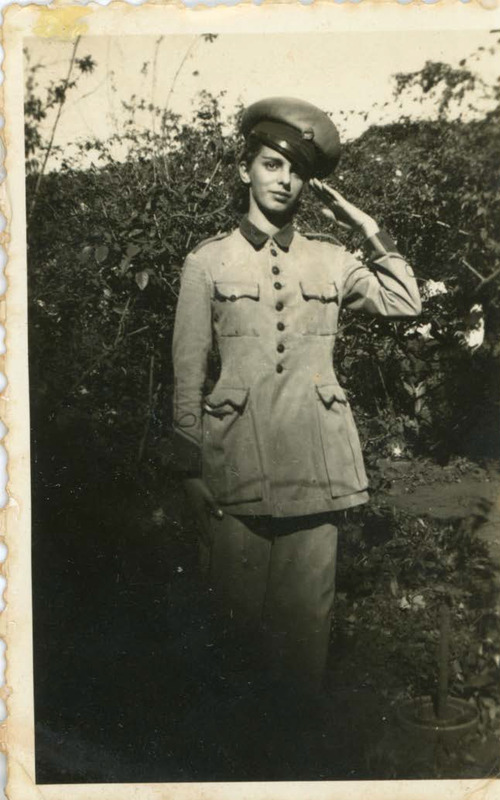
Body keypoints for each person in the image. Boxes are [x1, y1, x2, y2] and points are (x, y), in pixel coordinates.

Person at [172, 97, 421, 698]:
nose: (284, 180)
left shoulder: (331, 259)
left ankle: (295, 741)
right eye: (271, 164)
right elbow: (187, 371)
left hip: (316, 463)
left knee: (305, 633)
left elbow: (405, 300)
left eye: (297, 171)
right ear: (245, 170)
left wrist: (362, 223)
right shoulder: (207, 261)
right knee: (232, 632)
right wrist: (188, 468)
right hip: (236, 462)